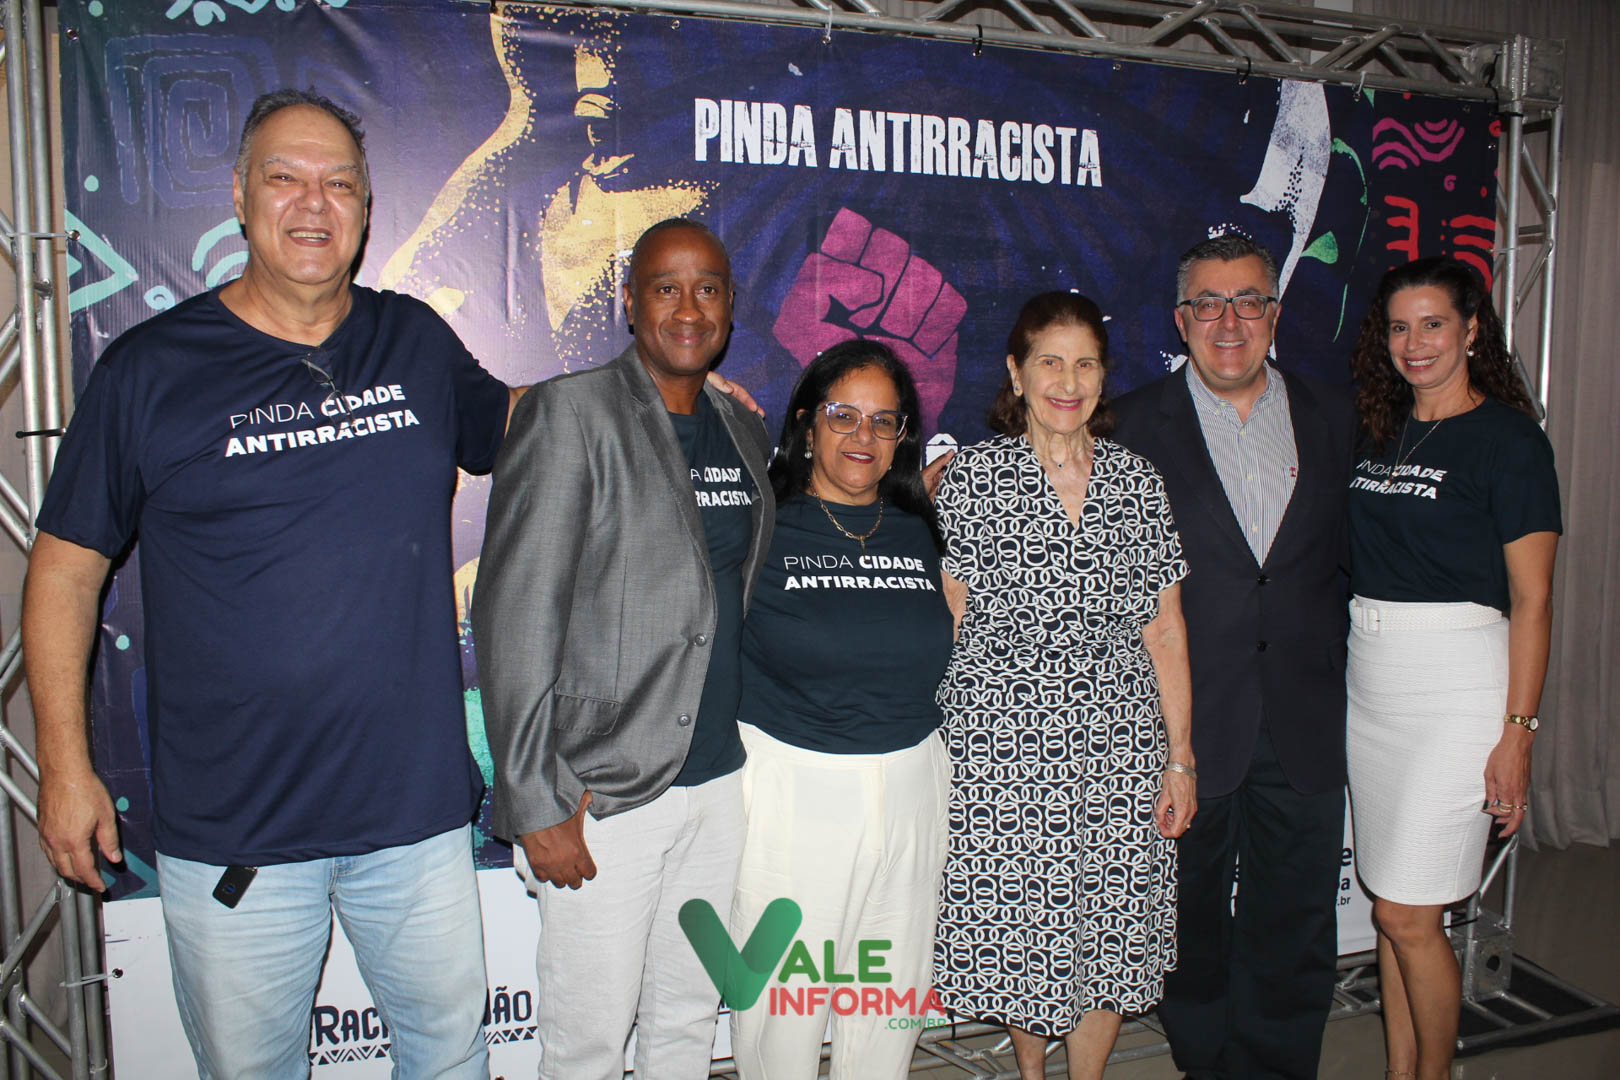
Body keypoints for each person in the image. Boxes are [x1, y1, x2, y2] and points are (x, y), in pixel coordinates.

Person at [23, 90, 512, 1078]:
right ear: (241, 196)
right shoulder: (150, 370)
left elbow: (529, 427)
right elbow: (65, 576)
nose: (313, 204)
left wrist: (657, 395)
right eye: (285, 178)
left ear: (367, 206)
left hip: (412, 817)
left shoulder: (414, 340)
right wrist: (66, 770)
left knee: (452, 1059)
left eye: (339, 184)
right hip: (238, 831)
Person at [472, 218, 774, 1080]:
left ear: (730, 306)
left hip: (717, 783)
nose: (689, 308)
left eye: (707, 289)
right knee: (590, 1044)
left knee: (687, 1021)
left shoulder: (740, 427)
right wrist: (535, 799)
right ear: (630, 303)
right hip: (603, 793)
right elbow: (515, 613)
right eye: (665, 288)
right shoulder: (569, 412)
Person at [932, 291, 1196, 1080]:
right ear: (1017, 373)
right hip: (1003, 751)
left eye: (1085, 364)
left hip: (1121, 749)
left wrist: (1180, 757)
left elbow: (1165, 629)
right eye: (1050, 362)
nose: (1068, 381)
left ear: (1104, 377)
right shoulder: (972, 479)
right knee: (1026, 930)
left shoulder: (1138, 483)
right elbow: (951, 620)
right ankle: (1031, 1073)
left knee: (1110, 928)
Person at [1111, 233, 1357, 1080]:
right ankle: (1205, 1060)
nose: (1229, 321)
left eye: (1248, 301)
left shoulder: (1335, 417)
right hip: (1182, 722)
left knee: (1295, 921)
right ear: (1181, 320)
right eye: (1208, 304)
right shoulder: (1127, 426)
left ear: (1275, 314)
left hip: (1304, 713)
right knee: (1185, 920)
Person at [1344, 256, 1559, 1080]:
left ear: (1472, 330)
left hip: (1459, 688)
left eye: (1433, 324)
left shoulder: (1510, 441)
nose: (1415, 343)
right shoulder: (1379, 426)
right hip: (1375, 686)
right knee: (1394, 911)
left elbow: (1532, 602)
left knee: (1408, 913)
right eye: (1400, 327)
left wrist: (1518, 734)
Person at [727, 340, 954, 1079]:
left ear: (902, 437)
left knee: (887, 1006)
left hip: (913, 787)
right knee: (785, 1012)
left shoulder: (918, 527)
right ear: (805, 424)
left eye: (884, 421)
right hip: (796, 792)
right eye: (843, 416)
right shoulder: (760, 524)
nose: (864, 436)